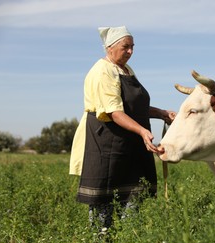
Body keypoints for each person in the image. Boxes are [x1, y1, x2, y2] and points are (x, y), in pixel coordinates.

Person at [69, 25, 176, 231]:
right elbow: (113, 112)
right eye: (126, 47)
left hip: (130, 143)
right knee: (104, 201)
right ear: (110, 47)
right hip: (107, 141)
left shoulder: (126, 70)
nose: (130, 52)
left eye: (132, 47)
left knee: (133, 196)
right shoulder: (102, 71)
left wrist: (161, 112)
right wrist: (143, 131)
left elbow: (134, 106)